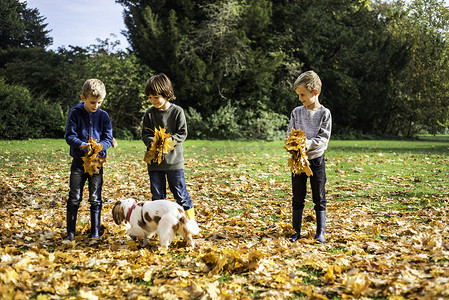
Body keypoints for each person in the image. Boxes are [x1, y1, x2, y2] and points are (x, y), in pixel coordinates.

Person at [141, 73, 197, 222]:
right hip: (154, 163)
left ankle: (189, 223)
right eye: (150, 98)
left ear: (166, 94)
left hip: (174, 162)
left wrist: (169, 141)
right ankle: (161, 225)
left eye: (156, 97)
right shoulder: (149, 114)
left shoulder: (177, 111)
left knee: (180, 194)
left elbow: (182, 133)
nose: (153, 101)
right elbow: (145, 134)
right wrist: (153, 142)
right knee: (158, 197)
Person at [65, 79, 113, 240]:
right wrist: (82, 145)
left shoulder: (104, 116)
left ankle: (95, 232)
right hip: (79, 161)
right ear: (83, 98)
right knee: (74, 197)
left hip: (97, 163)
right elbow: (69, 136)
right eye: (92, 102)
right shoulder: (75, 113)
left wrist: (100, 147)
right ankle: (70, 233)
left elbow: (108, 138)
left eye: (99, 102)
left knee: (95, 198)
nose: (96, 106)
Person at [287, 70, 332, 243]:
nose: (300, 99)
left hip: (316, 160)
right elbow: (290, 133)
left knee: (318, 196)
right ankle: (295, 231)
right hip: (298, 161)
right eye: (298, 95)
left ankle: (320, 232)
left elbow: (323, 139)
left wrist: (308, 143)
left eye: (302, 94)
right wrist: (293, 144)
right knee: (297, 196)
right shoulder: (296, 112)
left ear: (315, 92)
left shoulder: (324, 114)